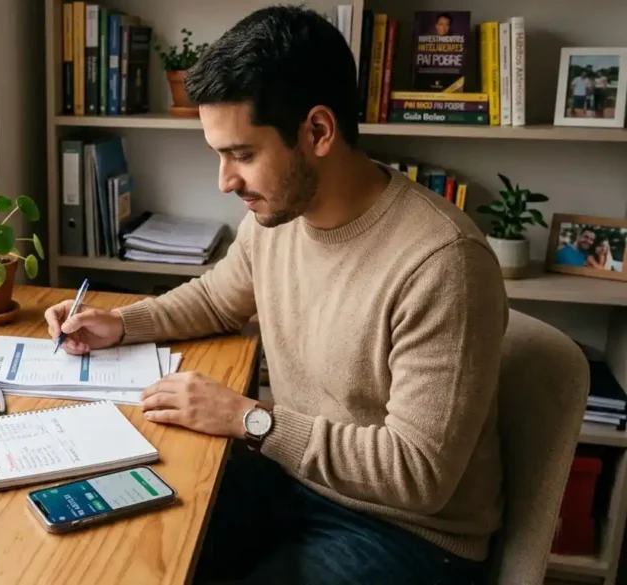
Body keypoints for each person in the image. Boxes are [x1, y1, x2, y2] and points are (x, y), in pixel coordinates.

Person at [45, 6, 508, 585]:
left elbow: (417, 473)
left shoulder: (443, 263)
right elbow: (217, 299)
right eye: (219, 155)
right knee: (122, 548)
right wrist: (120, 322)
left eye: (241, 154)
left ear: (317, 131)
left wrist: (250, 420)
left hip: (405, 531)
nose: (225, 181)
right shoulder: (280, 216)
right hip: (291, 479)